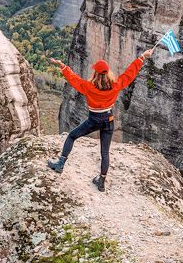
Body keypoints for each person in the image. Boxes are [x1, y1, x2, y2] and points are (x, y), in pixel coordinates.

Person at [47, 49, 153, 192]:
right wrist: (142, 57)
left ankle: (60, 164)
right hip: (108, 120)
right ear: (107, 72)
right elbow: (130, 74)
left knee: (72, 136)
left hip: (94, 120)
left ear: (95, 73)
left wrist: (63, 67)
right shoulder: (116, 85)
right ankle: (101, 182)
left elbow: (74, 79)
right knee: (104, 152)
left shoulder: (89, 87)